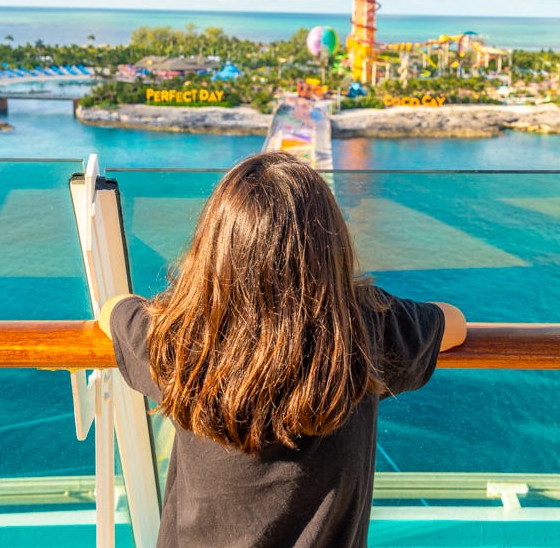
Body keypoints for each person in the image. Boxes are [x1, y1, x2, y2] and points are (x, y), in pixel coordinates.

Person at [98, 151, 466, 547]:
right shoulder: (364, 328)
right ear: (330, 246)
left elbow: (112, 310)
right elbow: (454, 323)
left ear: (214, 247)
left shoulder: (179, 340)